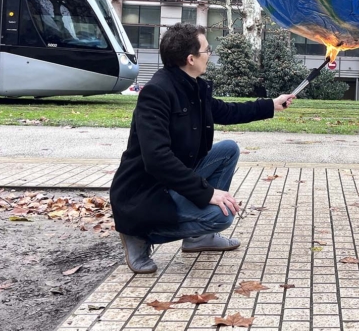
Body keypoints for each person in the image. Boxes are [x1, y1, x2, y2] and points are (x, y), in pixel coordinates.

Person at [110, 23, 295, 273]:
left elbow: (227, 111)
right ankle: (138, 234)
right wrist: (207, 193)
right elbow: (157, 159)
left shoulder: (193, 86)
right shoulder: (157, 93)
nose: (210, 55)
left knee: (228, 149)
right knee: (221, 216)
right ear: (191, 58)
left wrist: (271, 105)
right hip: (145, 194)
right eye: (207, 50)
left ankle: (198, 238)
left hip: (173, 180)